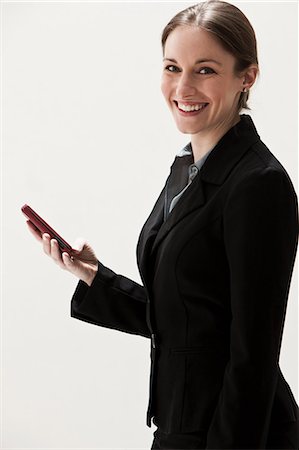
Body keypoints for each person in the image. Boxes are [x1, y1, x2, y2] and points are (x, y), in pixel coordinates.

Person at [26, 1, 299, 449]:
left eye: (205, 70)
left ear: (246, 77)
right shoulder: (187, 171)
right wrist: (95, 276)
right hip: (180, 425)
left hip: (232, 433)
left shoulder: (258, 185)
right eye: (173, 67)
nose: (183, 86)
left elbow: (254, 355)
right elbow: (189, 320)